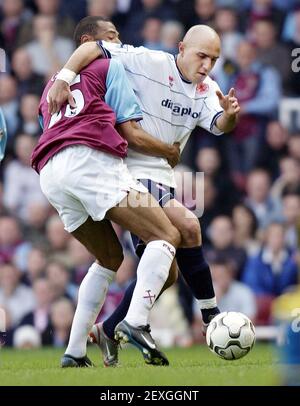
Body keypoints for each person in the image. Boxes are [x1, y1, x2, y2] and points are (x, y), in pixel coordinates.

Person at [48, 18, 240, 367]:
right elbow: (94, 46)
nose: (207, 65)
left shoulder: (207, 88)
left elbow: (219, 127)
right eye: (201, 56)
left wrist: (229, 116)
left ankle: (108, 328)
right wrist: (62, 77)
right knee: (187, 226)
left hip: (157, 177)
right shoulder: (145, 61)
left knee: (167, 274)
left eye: (213, 59)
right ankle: (207, 316)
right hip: (129, 172)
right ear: (180, 49)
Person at [31, 16, 183, 367]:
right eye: (112, 36)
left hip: (51, 173)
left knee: (110, 259)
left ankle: (74, 352)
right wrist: (169, 151)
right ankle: (135, 323)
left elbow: (52, 128)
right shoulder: (108, 64)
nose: (119, 43)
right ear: (89, 41)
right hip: (89, 161)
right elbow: (129, 132)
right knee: (166, 234)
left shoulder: (51, 85)